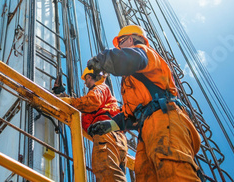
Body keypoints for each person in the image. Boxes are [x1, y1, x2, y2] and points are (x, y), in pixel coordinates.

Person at [86, 25, 201, 181]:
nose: (119, 47)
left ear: (131, 39)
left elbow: (132, 58)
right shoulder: (131, 80)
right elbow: (131, 115)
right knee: (145, 176)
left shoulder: (145, 53)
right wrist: (110, 125)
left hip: (165, 120)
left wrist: (103, 59)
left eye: (121, 43)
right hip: (147, 130)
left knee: (173, 172)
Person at [60, 67, 128, 181]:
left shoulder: (100, 88)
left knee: (105, 173)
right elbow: (85, 120)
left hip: (107, 135)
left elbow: (92, 101)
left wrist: (69, 101)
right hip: (118, 140)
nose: (85, 84)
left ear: (89, 77)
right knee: (115, 177)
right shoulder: (103, 102)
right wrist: (65, 100)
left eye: (85, 80)